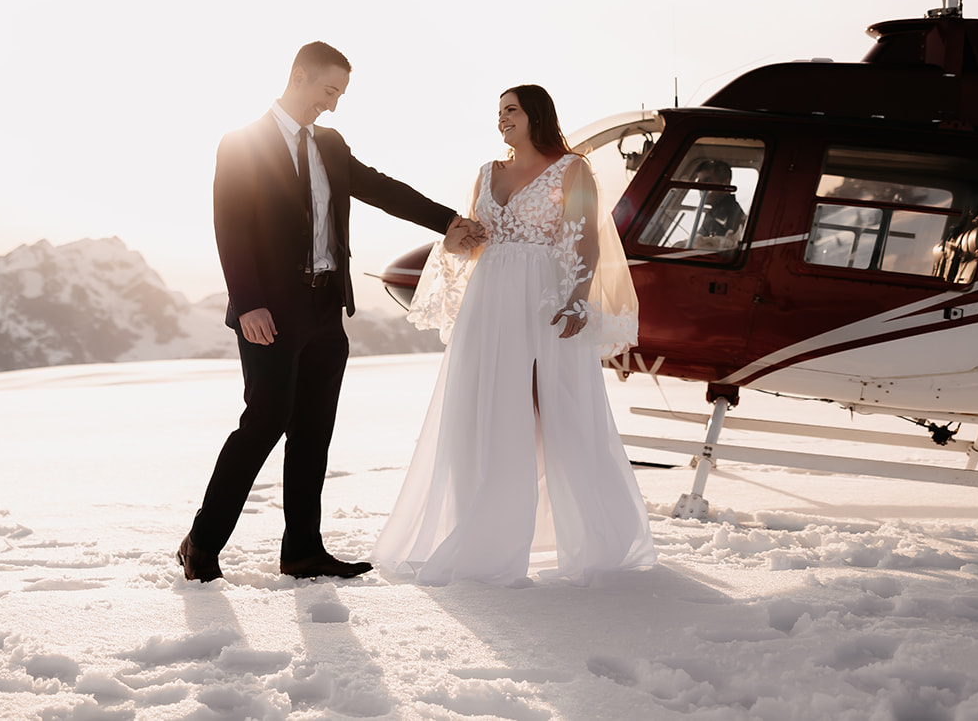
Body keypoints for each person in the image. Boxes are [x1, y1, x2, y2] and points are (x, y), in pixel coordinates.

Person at [178, 41, 484, 583]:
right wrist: (247, 302)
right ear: (298, 76)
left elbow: (382, 189)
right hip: (270, 311)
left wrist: (448, 222)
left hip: (326, 307)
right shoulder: (241, 143)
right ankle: (202, 542)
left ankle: (302, 551)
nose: (333, 105)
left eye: (340, 95)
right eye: (328, 91)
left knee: (314, 432)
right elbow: (230, 226)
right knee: (264, 422)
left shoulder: (331, 143)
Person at [371, 84, 655, 585]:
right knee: (485, 406)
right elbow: (472, 242)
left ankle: (595, 538)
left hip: (545, 297)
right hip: (490, 299)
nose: (501, 119)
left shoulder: (573, 169)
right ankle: (483, 532)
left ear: (535, 115)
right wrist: (464, 243)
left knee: (562, 409)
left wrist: (577, 297)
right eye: (498, 111)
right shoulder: (486, 173)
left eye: (511, 110)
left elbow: (586, 238)